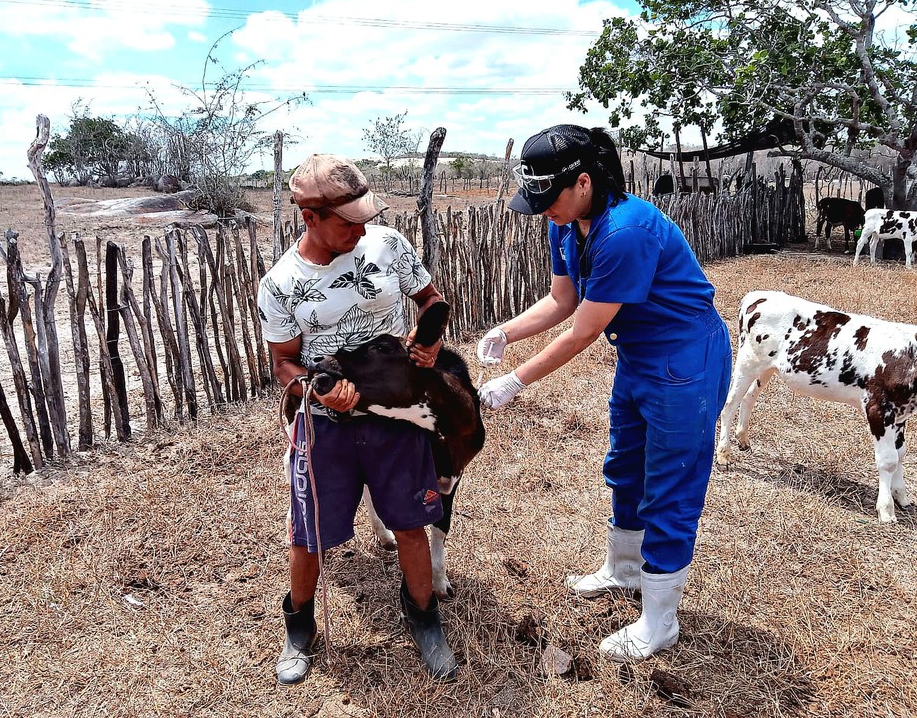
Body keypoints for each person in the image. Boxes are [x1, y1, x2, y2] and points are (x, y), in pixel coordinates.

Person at [476, 125, 732, 662]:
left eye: (549, 198)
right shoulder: (567, 222)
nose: (543, 210)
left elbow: (584, 331)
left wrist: (515, 380)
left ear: (585, 182)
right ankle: (624, 570)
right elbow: (561, 301)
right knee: (625, 466)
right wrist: (507, 331)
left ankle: (660, 620)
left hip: (684, 357)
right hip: (639, 356)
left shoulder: (625, 232)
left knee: (670, 483)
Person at [257, 153, 456, 684]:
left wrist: (430, 339)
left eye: (365, 216)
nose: (360, 229)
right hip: (328, 429)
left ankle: (424, 618)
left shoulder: (388, 246)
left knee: (414, 524)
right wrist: (320, 393)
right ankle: (299, 628)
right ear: (310, 217)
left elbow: (430, 299)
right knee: (309, 536)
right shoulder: (281, 283)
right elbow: (283, 364)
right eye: (347, 222)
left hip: (399, 415)